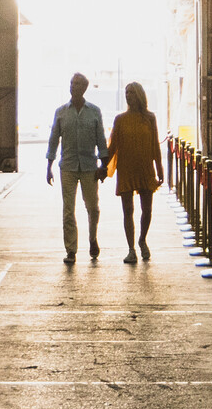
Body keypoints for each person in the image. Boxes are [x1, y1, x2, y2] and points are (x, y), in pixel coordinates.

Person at [44, 73, 106, 268]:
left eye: (77, 84)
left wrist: (104, 166)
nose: (73, 86)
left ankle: (92, 238)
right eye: (71, 83)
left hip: (89, 166)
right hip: (68, 166)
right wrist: (49, 166)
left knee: (93, 208)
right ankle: (71, 249)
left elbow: (101, 139)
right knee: (68, 210)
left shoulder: (94, 112)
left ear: (84, 88)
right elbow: (54, 139)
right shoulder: (61, 112)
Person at [104, 81, 162, 264]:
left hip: (145, 168)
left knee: (147, 210)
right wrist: (102, 167)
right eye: (126, 93)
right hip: (126, 169)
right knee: (128, 210)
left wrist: (160, 169)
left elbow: (155, 145)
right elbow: (112, 146)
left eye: (131, 92)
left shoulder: (150, 118)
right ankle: (131, 249)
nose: (128, 95)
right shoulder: (120, 119)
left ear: (139, 95)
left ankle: (142, 240)